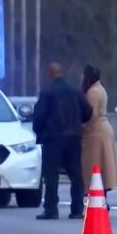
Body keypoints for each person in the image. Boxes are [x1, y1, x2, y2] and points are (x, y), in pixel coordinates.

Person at [33, 62, 93, 220]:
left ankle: (51, 209)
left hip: (53, 138)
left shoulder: (47, 93)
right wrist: (77, 122)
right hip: (73, 137)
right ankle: (77, 209)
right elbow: (88, 110)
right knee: (76, 174)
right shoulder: (75, 91)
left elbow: (39, 117)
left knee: (51, 175)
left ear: (50, 74)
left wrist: (39, 130)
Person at [80, 65, 117, 206]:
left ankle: (96, 198)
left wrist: (81, 127)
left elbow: (91, 114)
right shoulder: (101, 89)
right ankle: (102, 199)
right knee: (103, 169)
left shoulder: (92, 93)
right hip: (104, 130)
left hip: (95, 133)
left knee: (93, 168)